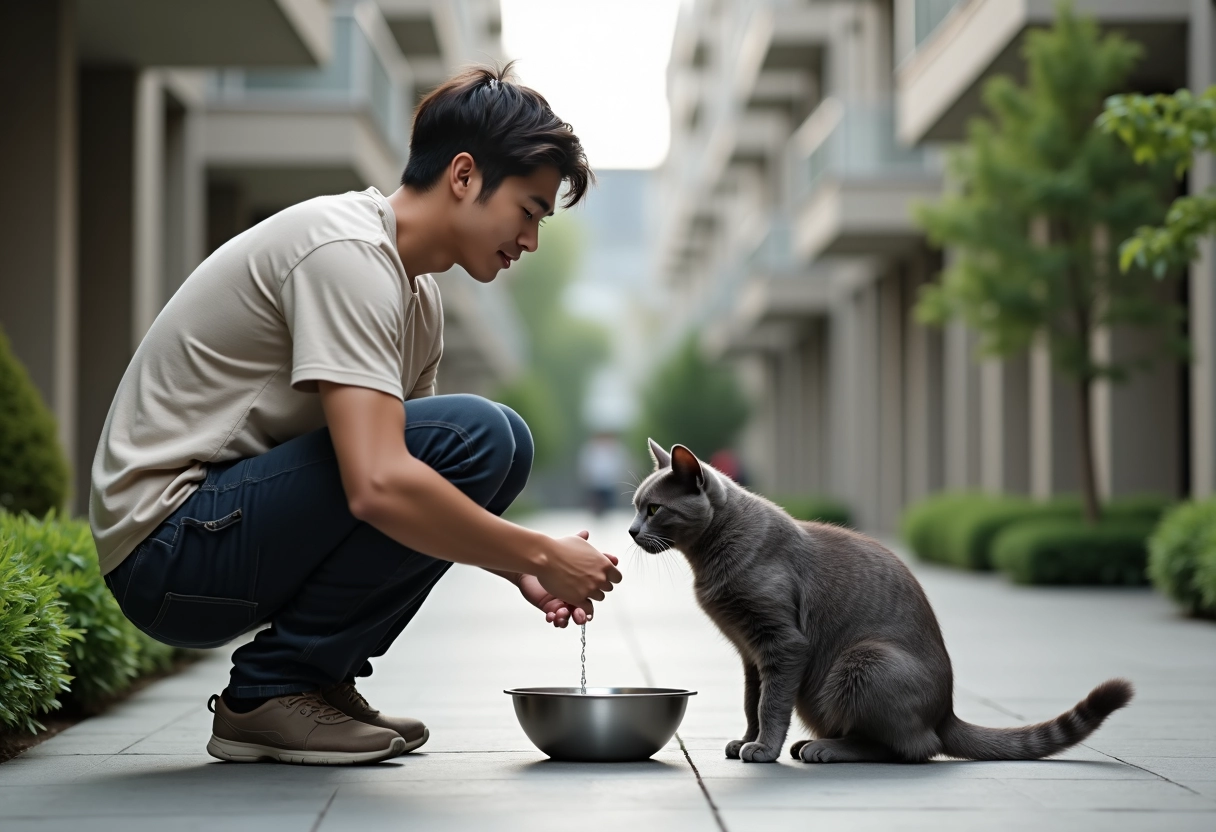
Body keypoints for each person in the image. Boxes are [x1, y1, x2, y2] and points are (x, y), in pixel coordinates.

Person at [89, 64, 622, 766]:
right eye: (528, 211)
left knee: (491, 445)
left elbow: (417, 493)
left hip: (220, 538)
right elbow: (379, 484)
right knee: (487, 435)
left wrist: (516, 570)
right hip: (168, 546)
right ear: (463, 176)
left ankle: (310, 681)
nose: (530, 241)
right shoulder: (345, 252)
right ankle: (272, 690)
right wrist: (544, 553)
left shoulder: (416, 299)